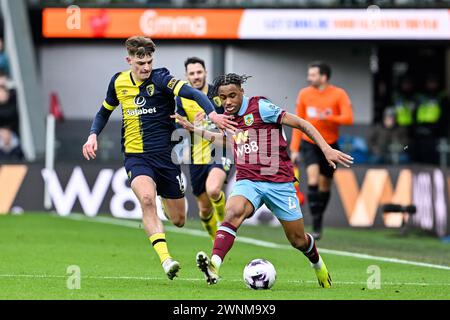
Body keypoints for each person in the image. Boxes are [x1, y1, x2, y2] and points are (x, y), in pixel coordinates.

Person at [173, 73, 353, 288]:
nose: (228, 102)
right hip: (249, 180)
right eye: (223, 98)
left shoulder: (261, 108)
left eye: (232, 96)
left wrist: (326, 149)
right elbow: (229, 141)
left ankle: (318, 264)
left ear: (242, 92)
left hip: (280, 183)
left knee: (298, 240)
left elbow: (302, 124)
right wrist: (195, 130)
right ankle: (213, 266)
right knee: (232, 213)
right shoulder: (226, 117)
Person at [82, 36, 236, 280]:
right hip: (136, 157)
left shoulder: (162, 78)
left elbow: (192, 93)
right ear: (129, 60)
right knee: (145, 198)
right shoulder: (118, 82)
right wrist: (92, 136)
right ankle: (166, 260)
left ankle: (168, 197)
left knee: (178, 220)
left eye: (149, 61)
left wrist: (212, 115)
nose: (145, 67)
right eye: (140, 62)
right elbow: (103, 112)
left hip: (166, 158)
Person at [289, 62, 353, 240]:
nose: (309, 78)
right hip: (309, 143)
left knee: (325, 186)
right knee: (312, 177)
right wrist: (294, 149)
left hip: (331, 145)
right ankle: (315, 223)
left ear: (324, 77)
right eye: (309, 75)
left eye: (313, 75)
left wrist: (328, 116)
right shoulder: (304, 93)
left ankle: (318, 220)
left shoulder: (338, 94)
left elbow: (348, 118)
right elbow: (297, 122)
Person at [175, 57, 231, 241]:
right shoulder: (182, 97)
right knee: (204, 209)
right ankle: (217, 241)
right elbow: (178, 129)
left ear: (206, 72)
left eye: (199, 72)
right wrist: (193, 125)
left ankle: (226, 226)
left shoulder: (218, 93)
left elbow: (230, 118)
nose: (196, 76)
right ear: (187, 76)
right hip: (197, 155)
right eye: (192, 73)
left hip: (220, 150)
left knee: (214, 190)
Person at [412, 74, 449, 165]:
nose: (431, 85)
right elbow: (415, 112)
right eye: (430, 82)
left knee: (434, 153)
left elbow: (445, 114)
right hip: (421, 128)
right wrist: (416, 127)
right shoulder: (420, 96)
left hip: (435, 129)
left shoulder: (442, 95)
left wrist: (437, 127)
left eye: (433, 82)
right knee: (419, 151)